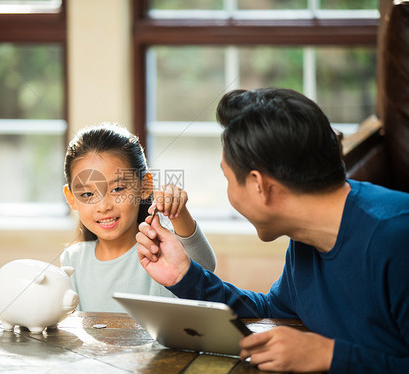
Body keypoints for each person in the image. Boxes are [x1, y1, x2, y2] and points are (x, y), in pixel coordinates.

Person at [136, 88, 409, 373]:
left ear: (259, 185)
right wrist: (185, 276)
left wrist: (328, 355)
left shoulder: (397, 237)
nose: (229, 192)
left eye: (227, 178)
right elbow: (270, 312)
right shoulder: (306, 237)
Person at [60, 122, 216, 312]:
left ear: (144, 186)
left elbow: (205, 269)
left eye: (117, 189)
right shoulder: (73, 259)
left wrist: (180, 214)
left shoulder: (160, 251)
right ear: (71, 198)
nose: (103, 206)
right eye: (87, 194)